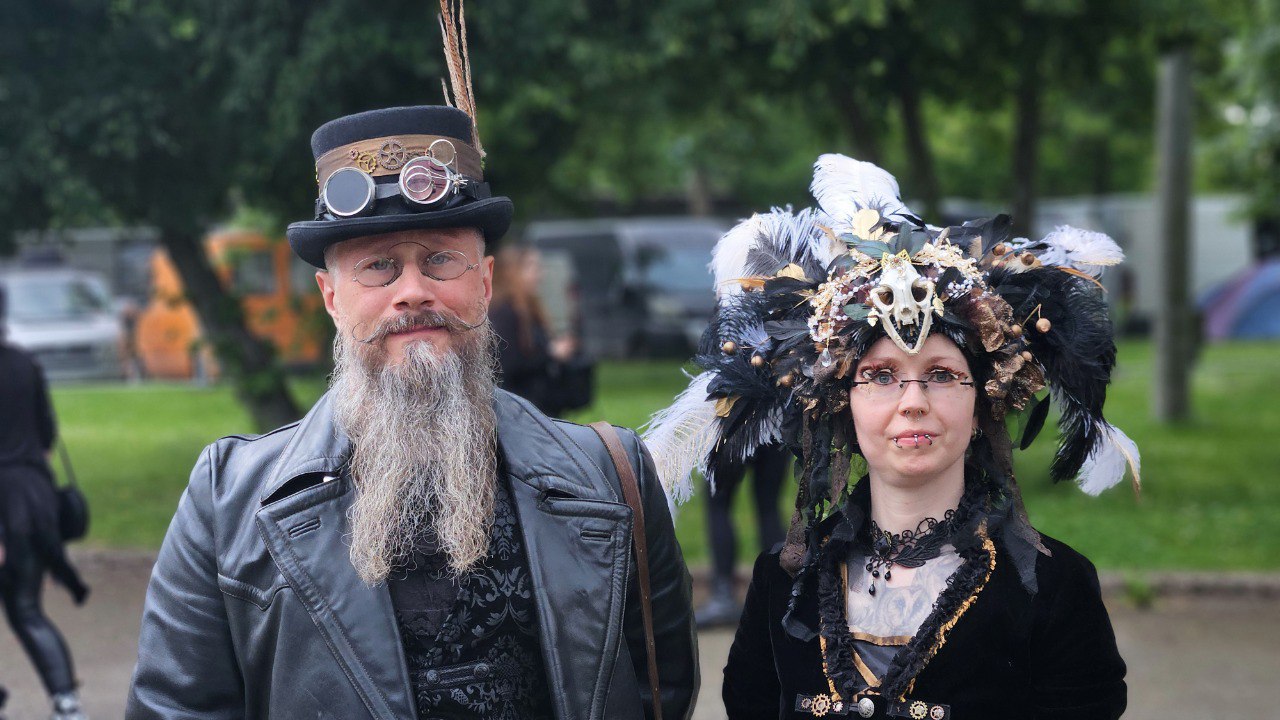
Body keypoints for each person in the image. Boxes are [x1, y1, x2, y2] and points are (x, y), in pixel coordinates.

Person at [125, 101, 698, 720]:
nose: (413, 291)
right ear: (331, 297)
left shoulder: (609, 476)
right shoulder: (228, 501)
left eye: (440, 260)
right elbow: (175, 708)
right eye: (379, 266)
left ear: (484, 282)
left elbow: (659, 690)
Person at [646, 155, 1137, 719]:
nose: (913, 402)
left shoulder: (1055, 587)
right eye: (880, 376)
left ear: (983, 403)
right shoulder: (781, 584)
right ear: (842, 403)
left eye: (942, 375)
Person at [0, 287, 90, 720]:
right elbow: (47, 437)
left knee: (25, 611)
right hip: (35, 501)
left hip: (6, 506)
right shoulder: (26, 363)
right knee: (27, 610)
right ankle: (67, 704)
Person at [694, 444, 787, 628]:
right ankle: (782, 598)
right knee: (769, 507)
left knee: (719, 503)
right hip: (777, 428)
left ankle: (723, 597)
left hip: (730, 430)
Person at [488, 245, 578, 416]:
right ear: (513, 271)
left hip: (539, 408)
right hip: (519, 411)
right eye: (533, 267)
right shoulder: (504, 312)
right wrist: (551, 353)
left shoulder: (530, 308)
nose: (540, 274)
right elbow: (507, 365)